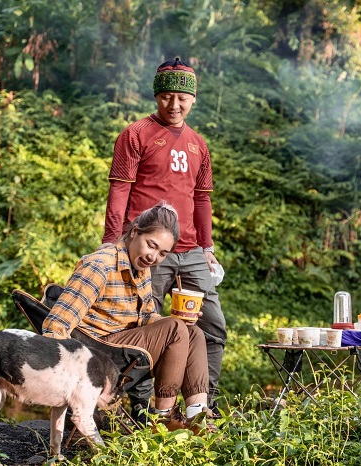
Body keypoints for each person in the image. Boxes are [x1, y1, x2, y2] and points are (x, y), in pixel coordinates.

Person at [101, 57, 226, 415]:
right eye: (166, 97)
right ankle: (139, 407)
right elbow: (119, 191)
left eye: (182, 98)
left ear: (193, 99)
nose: (174, 105)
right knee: (145, 328)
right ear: (157, 97)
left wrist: (207, 247)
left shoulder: (198, 144)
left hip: (190, 253)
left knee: (212, 328)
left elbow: (201, 199)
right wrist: (113, 241)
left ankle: (203, 404)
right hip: (149, 251)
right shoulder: (135, 134)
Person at [42, 203, 215, 432]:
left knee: (193, 331)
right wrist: (58, 375)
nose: (153, 257)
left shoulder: (140, 267)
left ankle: (197, 414)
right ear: (135, 231)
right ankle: (163, 418)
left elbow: (145, 317)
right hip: (98, 348)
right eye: (151, 245)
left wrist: (179, 323)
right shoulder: (100, 264)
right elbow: (56, 323)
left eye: (162, 253)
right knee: (175, 328)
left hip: (124, 343)